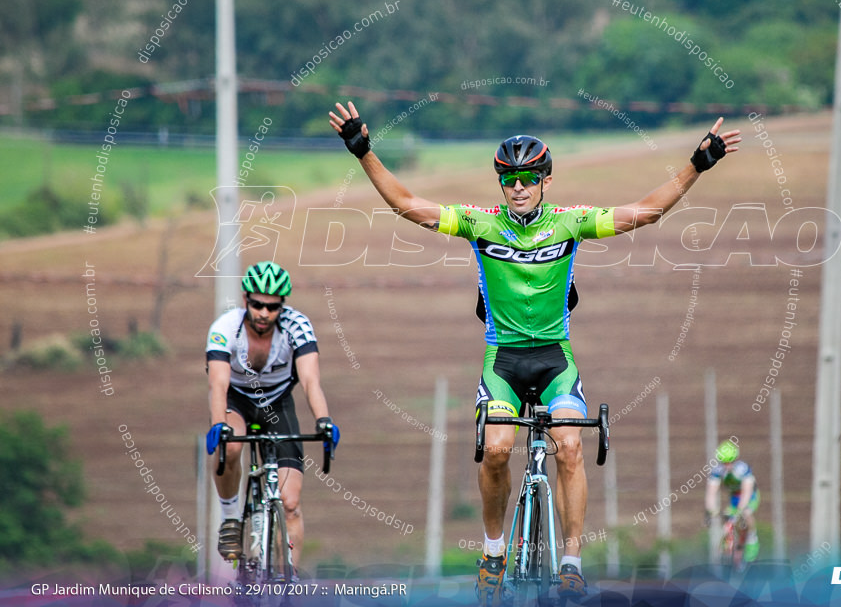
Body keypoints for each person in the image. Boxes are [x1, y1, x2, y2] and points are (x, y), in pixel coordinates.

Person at [329, 100, 740, 602]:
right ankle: (495, 551)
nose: (518, 186)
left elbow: (645, 214)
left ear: (547, 180)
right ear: (500, 184)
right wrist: (363, 152)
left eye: (527, 177)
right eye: (508, 178)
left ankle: (570, 561)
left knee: (569, 445)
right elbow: (407, 205)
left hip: (554, 360)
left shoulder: (571, 222)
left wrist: (697, 165)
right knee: (498, 448)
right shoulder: (480, 223)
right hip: (502, 360)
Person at [204, 260, 339, 575]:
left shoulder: (297, 326)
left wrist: (324, 420)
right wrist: (217, 426)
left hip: (278, 404)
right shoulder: (225, 328)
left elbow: (310, 381)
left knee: (290, 505)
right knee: (233, 447)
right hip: (237, 400)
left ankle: (288, 581)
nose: (264, 313)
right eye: (257, 305)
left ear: (283, 306)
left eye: (273, 307)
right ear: (245, 300)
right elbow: (218, 383)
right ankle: (230, 518)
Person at [705, 440, 760, 564]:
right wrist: (711, 511)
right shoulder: (717, 471)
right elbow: (711, 493)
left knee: (745, 514)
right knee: (728, 521)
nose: (727, 465)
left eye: (730, 461)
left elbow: (747, 491)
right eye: (724, 462)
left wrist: (740, 510)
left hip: (750, 496)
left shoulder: (742, 469)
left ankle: (752, 540)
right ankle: (731, 555)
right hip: (734, 498)